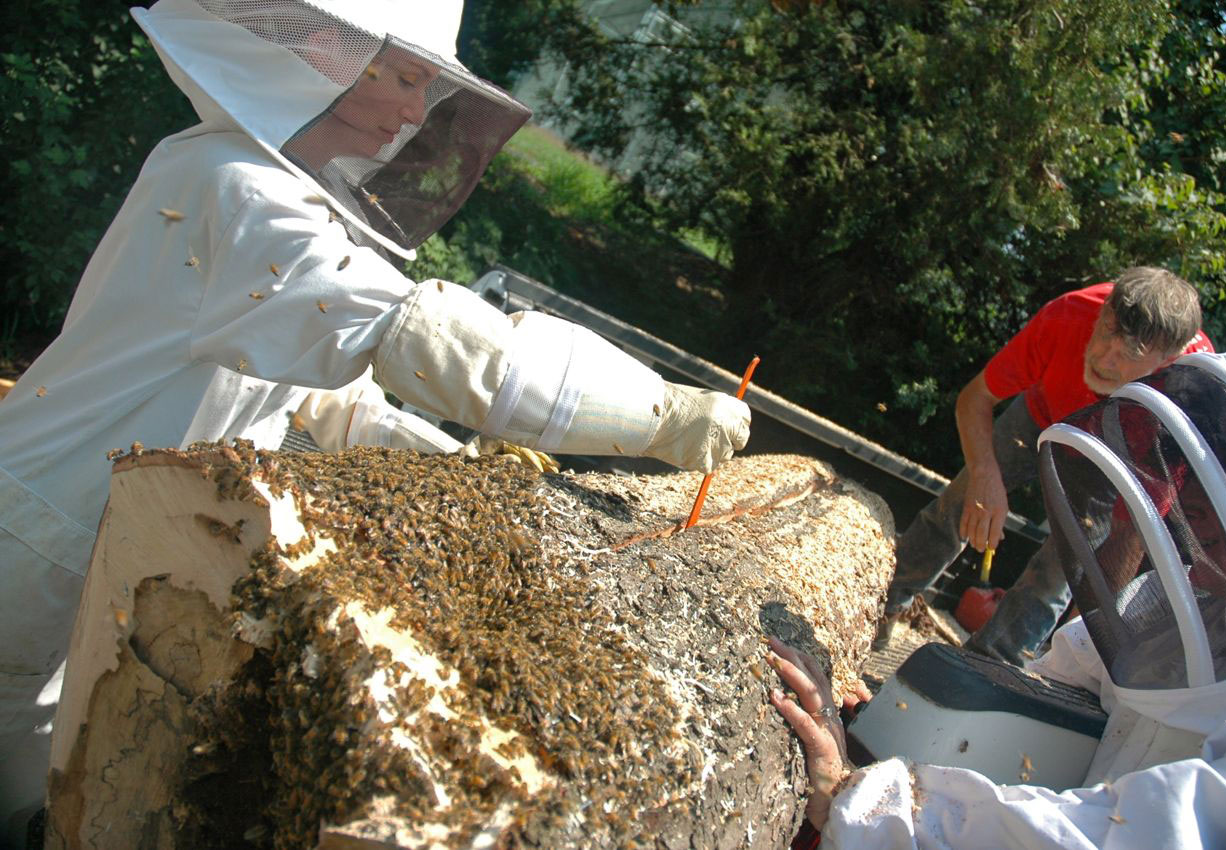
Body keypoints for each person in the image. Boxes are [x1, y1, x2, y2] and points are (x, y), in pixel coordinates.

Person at [0, 1, 751, 842]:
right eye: (402, 78)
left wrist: (455, 465)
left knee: (69, 782)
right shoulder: (237, 189)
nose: (411, 114)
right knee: (28, 786)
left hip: (116, 538)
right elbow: (426, 341)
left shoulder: (276, 195)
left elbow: (326, 398)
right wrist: (662, 414)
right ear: (322, 55)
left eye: (425, 88)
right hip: (40, 533)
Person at [771, 336, 1226, 849]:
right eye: (1222, 475)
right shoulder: (1171, 609)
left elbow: (1120, 838)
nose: (1191, 500)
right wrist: (902, 722)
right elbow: (1041, 693)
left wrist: (860, 804)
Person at [879, 267, 1213, 664]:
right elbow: (975, 398)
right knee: (958, 505)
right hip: (1041, 414)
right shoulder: (1069, 314)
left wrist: (1088, 626)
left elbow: (1130, 534)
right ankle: (881, 604)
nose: (1104, 358)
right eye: (1106, 332)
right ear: (1105, 308)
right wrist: (985, 478)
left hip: (1110, 462)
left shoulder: (1184, 401)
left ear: (1166, 360)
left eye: (1127, 356)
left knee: (1058, 575)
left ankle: (986, 670)